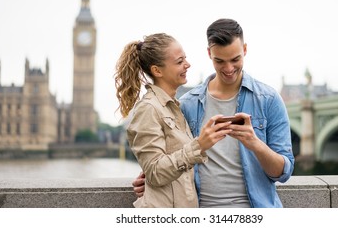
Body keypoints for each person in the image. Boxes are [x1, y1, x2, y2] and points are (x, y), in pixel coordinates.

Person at [132, 19, 295, 208]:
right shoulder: (187, 105)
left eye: (235, 60)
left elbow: (284, 173)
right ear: (209, 53)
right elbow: (169, 162)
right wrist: (151, 179)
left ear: (245, 50)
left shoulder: (268, 99)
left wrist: (255, 144)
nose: (228, 69)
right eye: (219, 61)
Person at [114, 33, 232, 208]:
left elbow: (163, 165)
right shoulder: (148, 108)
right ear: (157, 71)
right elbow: (155, 172)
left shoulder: (174, 107)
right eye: (179, 62)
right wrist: (199, 145)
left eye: (185, 58)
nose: (187, 64)